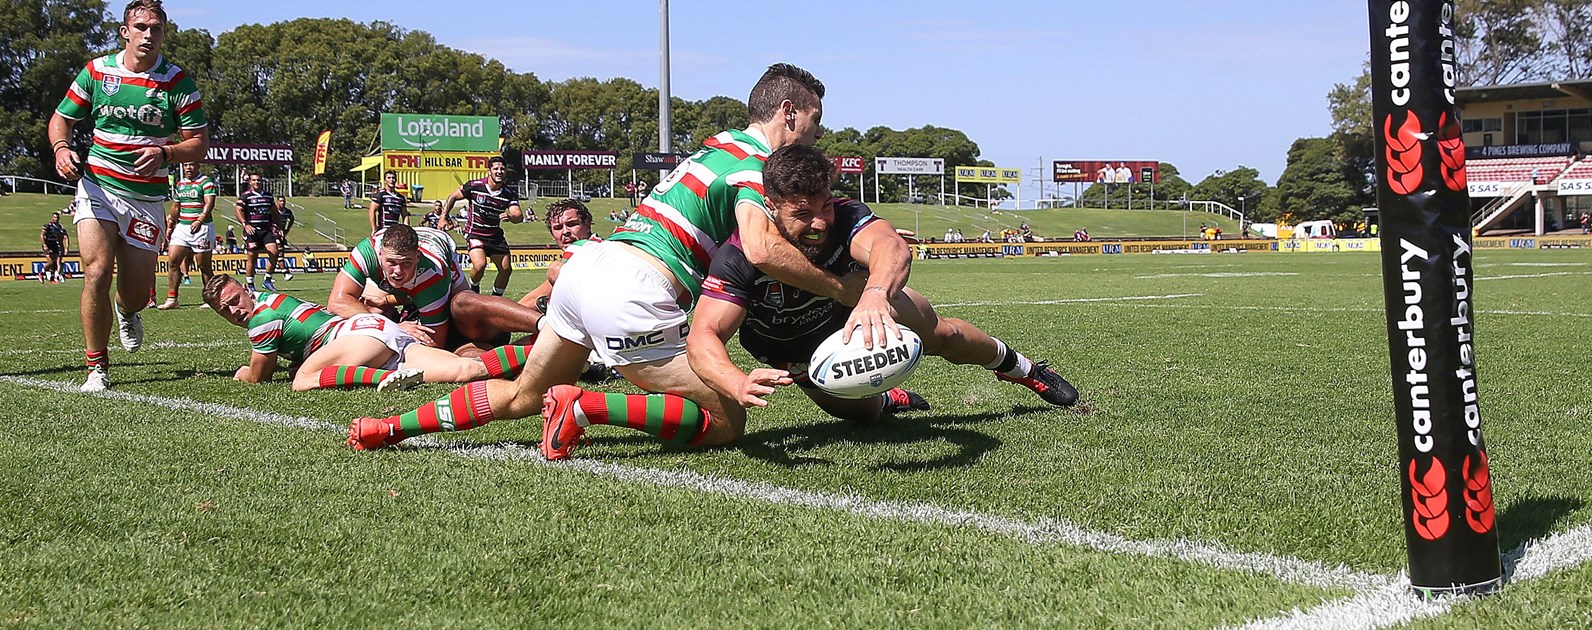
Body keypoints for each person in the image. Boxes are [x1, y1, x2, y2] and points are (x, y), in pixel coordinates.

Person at [348, 62, 846, 458]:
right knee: (726, 421)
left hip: (589, 270)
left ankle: (389, 426)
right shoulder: (754, 166)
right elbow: (761, 249)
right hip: (636, 288)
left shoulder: (717, 147)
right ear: (788, 111)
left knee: (523, 394)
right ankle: (585, 406)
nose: (816, 136)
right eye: (815, 122)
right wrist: (844, 288)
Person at [690, 145, 1077, 427]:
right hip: (791, 347)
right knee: (862, 415)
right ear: (771, 206)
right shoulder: (739, 254)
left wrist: (874, 295)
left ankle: (1022, 369)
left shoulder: (845, 217)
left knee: (941, 334)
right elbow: (704, 332)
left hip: (857, 308)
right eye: (802, 214)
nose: (820, 222)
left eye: (824, 205)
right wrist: (734, 380)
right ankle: (889, 398)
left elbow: (890, 247)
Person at [48, 0, 209, 392]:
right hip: (98, 187)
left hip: (146, 199)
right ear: (125, 31)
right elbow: (61, 119)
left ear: (163, 34)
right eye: (141, 27)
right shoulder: (98, 72)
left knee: (136, 294)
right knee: (97, 272)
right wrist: (62, 149)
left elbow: (200, 144)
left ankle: (127, 311)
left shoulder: (177, 83)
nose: (148, 35)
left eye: (156, 28)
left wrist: (164, 152)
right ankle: (96, 368)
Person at [203, 274, 529, 392]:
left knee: (302, 379)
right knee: (465, 370)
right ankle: (542, 350)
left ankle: (377, 379)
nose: (234, 311)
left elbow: (259, 376)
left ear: (244, 290)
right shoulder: (270, 299)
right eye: (224, 310)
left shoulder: (261, 321)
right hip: (377, 333)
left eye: (234, 301)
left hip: (358, 337)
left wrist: (242, 373)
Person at [326, 223, 541, 353]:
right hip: (413, 287)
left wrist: (391, 328)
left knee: (463, 312)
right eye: (391, 262)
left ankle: (543, 322)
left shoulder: (431, 273)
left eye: (406, 263)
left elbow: (434, 341)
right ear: (380, 254)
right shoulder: (366, 252)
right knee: (370, 312)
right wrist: (391, 324)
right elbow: (337, 302)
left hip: (444, 279)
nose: (398, 271)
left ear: (417, 258)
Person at [444, 156, 523, 297]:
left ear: (506, 172)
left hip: (494, 236)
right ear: (489, 171)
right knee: (480, 265)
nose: (499, 172)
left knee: (506, 269)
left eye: (502, 169)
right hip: (475, 233)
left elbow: (518, 215)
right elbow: (453, 196)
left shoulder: (509, 194)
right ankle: (474, 289)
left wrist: (511, 217)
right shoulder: (475, 186)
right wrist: (443, 217)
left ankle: (495, 300)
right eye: (496, 169)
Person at [518, 198, 601, 312]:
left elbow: (531, 301)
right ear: (552, 235)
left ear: (587, 226)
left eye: (572, 224)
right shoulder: (598, 244)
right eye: (558, 228)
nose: (565, 231)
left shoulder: (586, 249)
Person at [160, 161, 216, 308]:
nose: (188, 168)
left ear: (198, 166)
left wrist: (200, 219)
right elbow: (176, 205)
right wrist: (170, 224)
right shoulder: (180, 184)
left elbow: (209, 202)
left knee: (204, 266)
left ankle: (210, 300)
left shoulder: (206, 182)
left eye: (191, 165)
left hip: (202, 227)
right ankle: (172, 299)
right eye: (185, 165)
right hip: (183, 227)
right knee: (173, 261)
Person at [233, 172, 280, 290]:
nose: (256, 182)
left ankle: (267, 280)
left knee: (274, 252)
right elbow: (238, 211)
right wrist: (245, 225)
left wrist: (279, 227)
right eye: (254, 180)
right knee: (252, 257)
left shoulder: (268, 196)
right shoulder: (245, 196)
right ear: (250, 182)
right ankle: (250, 284)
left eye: (258, 180)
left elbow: (274, 212)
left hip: (266, 230)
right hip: (252, 232)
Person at [40, 212, 69, 284]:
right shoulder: (48, 226)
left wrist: (65, 247)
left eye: (57, 218)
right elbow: (42, 235)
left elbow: (65, 237)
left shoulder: (59, 227)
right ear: (52, 218)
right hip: (48, 245)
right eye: (55, 217)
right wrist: (44, 245)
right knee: (51, 262)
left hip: (55, 245)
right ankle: (41, 273)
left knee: (56, 263)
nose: (56, 219)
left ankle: (53, 278)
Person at [272, 194, 296, 278]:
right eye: (281, 201)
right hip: (273, 234)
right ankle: (285, 272)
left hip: (281, 235)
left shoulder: (287, 212)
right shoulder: (273, 211)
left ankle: (269, 276)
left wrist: (287, 229)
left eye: (284, 201)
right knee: (279, 251)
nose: (283, 203)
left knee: (277, 255)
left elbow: (292, 219)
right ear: (277, 202)